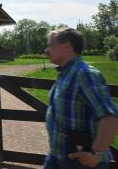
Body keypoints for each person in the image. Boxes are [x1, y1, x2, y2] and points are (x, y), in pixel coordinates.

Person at [44, 27, 118, 168]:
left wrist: (96, 155)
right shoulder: (65, 73)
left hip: (80, 162)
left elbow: (110, 117)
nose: (46, 50)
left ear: (67, 46)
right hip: (57, 156)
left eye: (50, 45)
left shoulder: (85, 74)